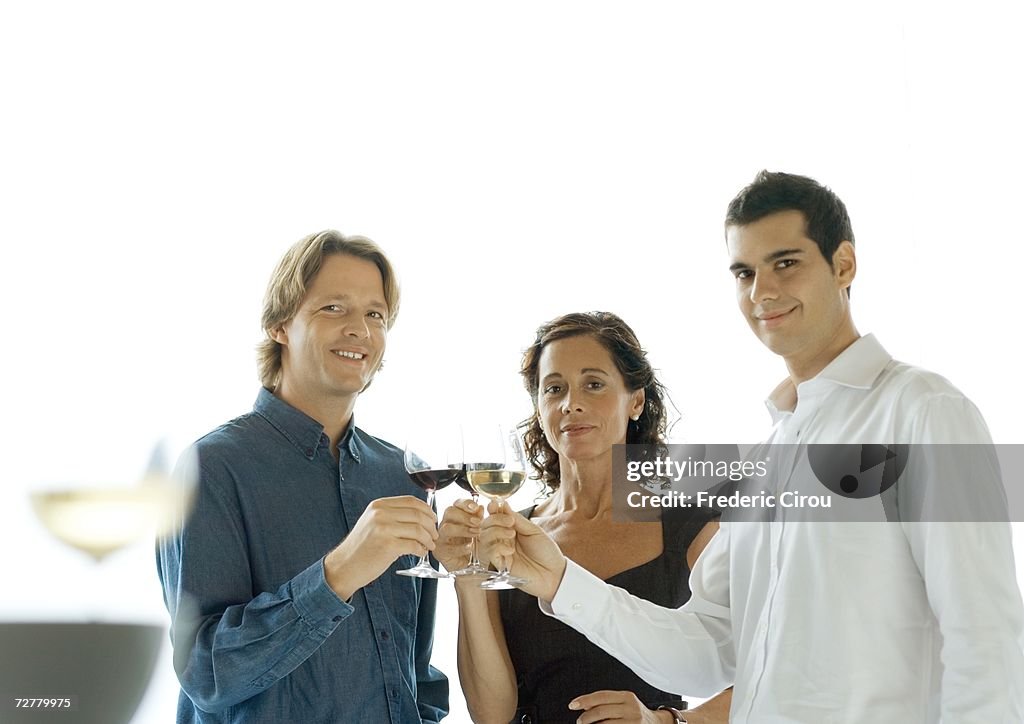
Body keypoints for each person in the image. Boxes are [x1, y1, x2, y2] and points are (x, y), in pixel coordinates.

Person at [481, 172, 1024, 722]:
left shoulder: (924, 411)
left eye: (785, 263)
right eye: (745, 272)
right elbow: (705, 649)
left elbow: (986, 640)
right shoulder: (768, 457)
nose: (762, 292)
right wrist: (559, 579)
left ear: (843, 266)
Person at [156, 231, 449, 723]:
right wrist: (338, 575)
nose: (360, 329)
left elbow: (414, 668)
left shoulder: (402, 476)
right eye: (334, 308)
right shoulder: (210, 469)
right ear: (279, 325)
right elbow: (206, 672)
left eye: (375, 314)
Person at [436, 312, 732, 723]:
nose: (570, 403)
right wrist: (467, 578)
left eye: (593, 384)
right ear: (539, 409)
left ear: (637, 401)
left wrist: (667, 721)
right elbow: (491, 714)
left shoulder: (694, 527)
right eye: (554, 388)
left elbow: (770, 670)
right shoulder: (508, 536)